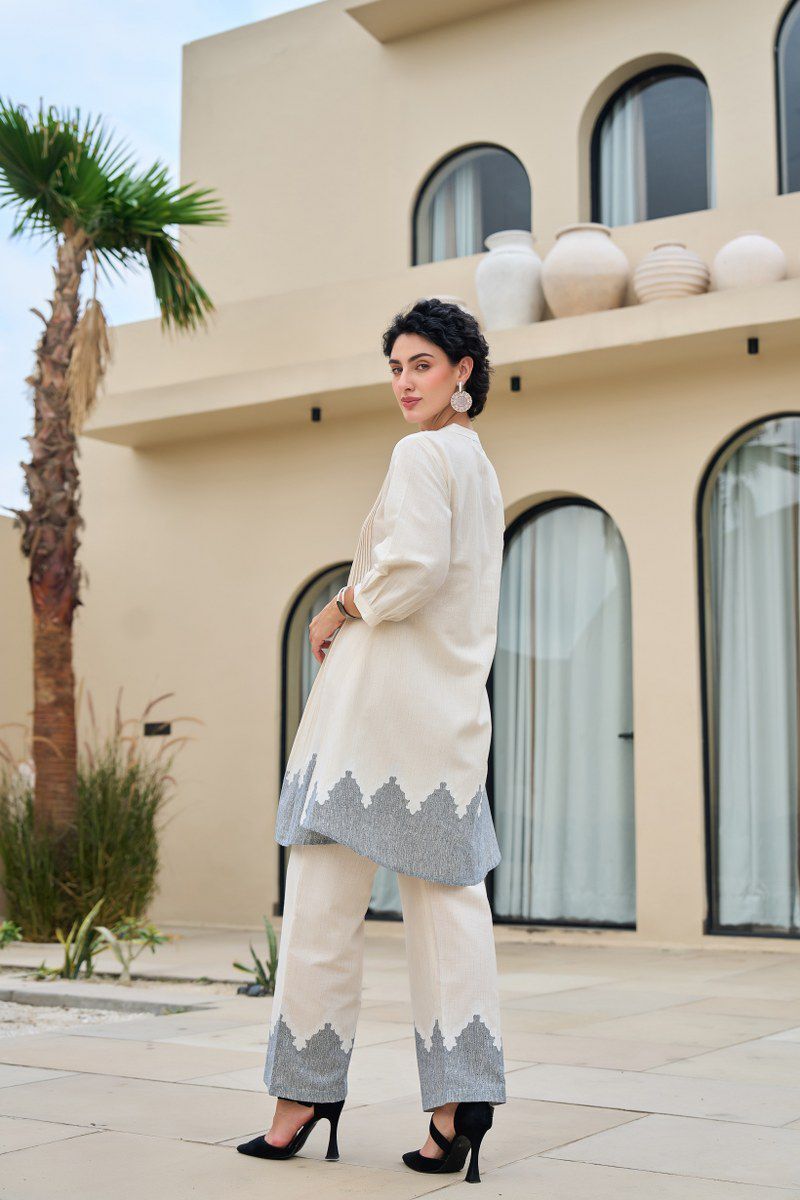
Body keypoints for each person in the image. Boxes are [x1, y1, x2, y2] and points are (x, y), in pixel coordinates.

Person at [237, 297, 507, 1184]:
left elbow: (414, 569)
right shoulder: (479, 466)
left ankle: (302, 1096)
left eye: (422, 364)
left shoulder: (421, 453)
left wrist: (340, 603)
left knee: (319, 903)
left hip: (372, 722)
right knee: (449, 912)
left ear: (463, 370)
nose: (404, 382)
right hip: (446, 720)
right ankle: (458, 1103)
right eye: (396, 367)